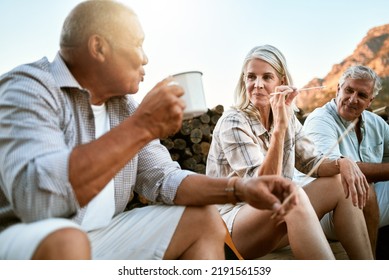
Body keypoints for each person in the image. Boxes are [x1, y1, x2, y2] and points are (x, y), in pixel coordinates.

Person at [0, 0, 304, 260]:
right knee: (66, 240)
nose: (145, 57)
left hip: (102, 236)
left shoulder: (123, 108)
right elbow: (38, 202)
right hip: (26, 244)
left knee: (202, 215)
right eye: (137, 43)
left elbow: (165, 179)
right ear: (98, 47)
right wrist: (143, 125)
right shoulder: (29, 87)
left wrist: (239, 190)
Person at [206, 44, 374, 259]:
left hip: (274, 221)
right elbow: (264, 188)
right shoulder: (233, 121)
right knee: (289, 193)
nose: (257, 85)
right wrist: (280, 129)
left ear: (281, 82)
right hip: (230, 232)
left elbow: (311, 162)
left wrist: (342, 162)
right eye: (251, 77)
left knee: (339, 182)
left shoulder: (287, 117)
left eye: (267, 77)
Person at [301, 65, 389, 258]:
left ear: (370, 101)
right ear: (338, 89)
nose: (353, 99)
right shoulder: (320, 120)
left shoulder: (376, 123)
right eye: (349, 90)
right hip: (322, 213)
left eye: (362, 95)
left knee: (364, 188)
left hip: (361, 204)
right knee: (362, 187)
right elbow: (334, 168)